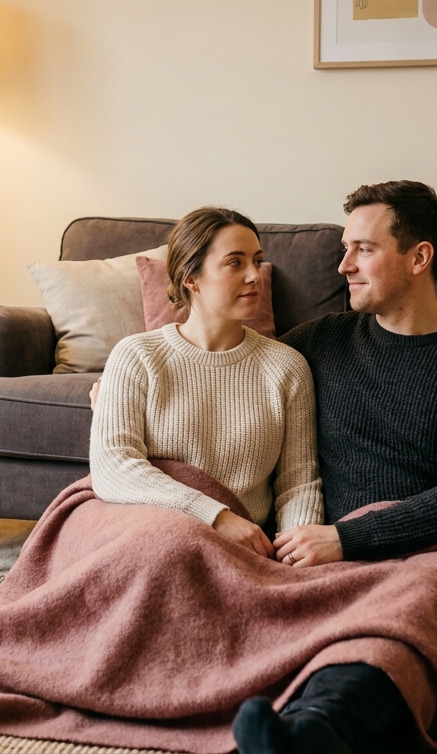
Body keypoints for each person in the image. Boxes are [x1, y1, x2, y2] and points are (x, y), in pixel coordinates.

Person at [233, 180, 437, 754]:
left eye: (363, 249)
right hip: (321, 550)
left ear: (419, 257)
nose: (342, 265)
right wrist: (129, 388)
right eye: (345, 248)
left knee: (420, 608)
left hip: (434, 551)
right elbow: (227, 374)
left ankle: (316, 732)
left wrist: (349, 538)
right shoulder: (319, 341)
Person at [90, 206, 325, 554]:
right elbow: (114, 467)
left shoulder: (287, 367)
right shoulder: (137, 355)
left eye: (257, 261)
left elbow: (298, 485)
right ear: (191, 278)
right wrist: (215, 517)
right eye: (235, 263)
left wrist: (293, 554)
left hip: (243, 546)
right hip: (150, 530)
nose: (255, 276)